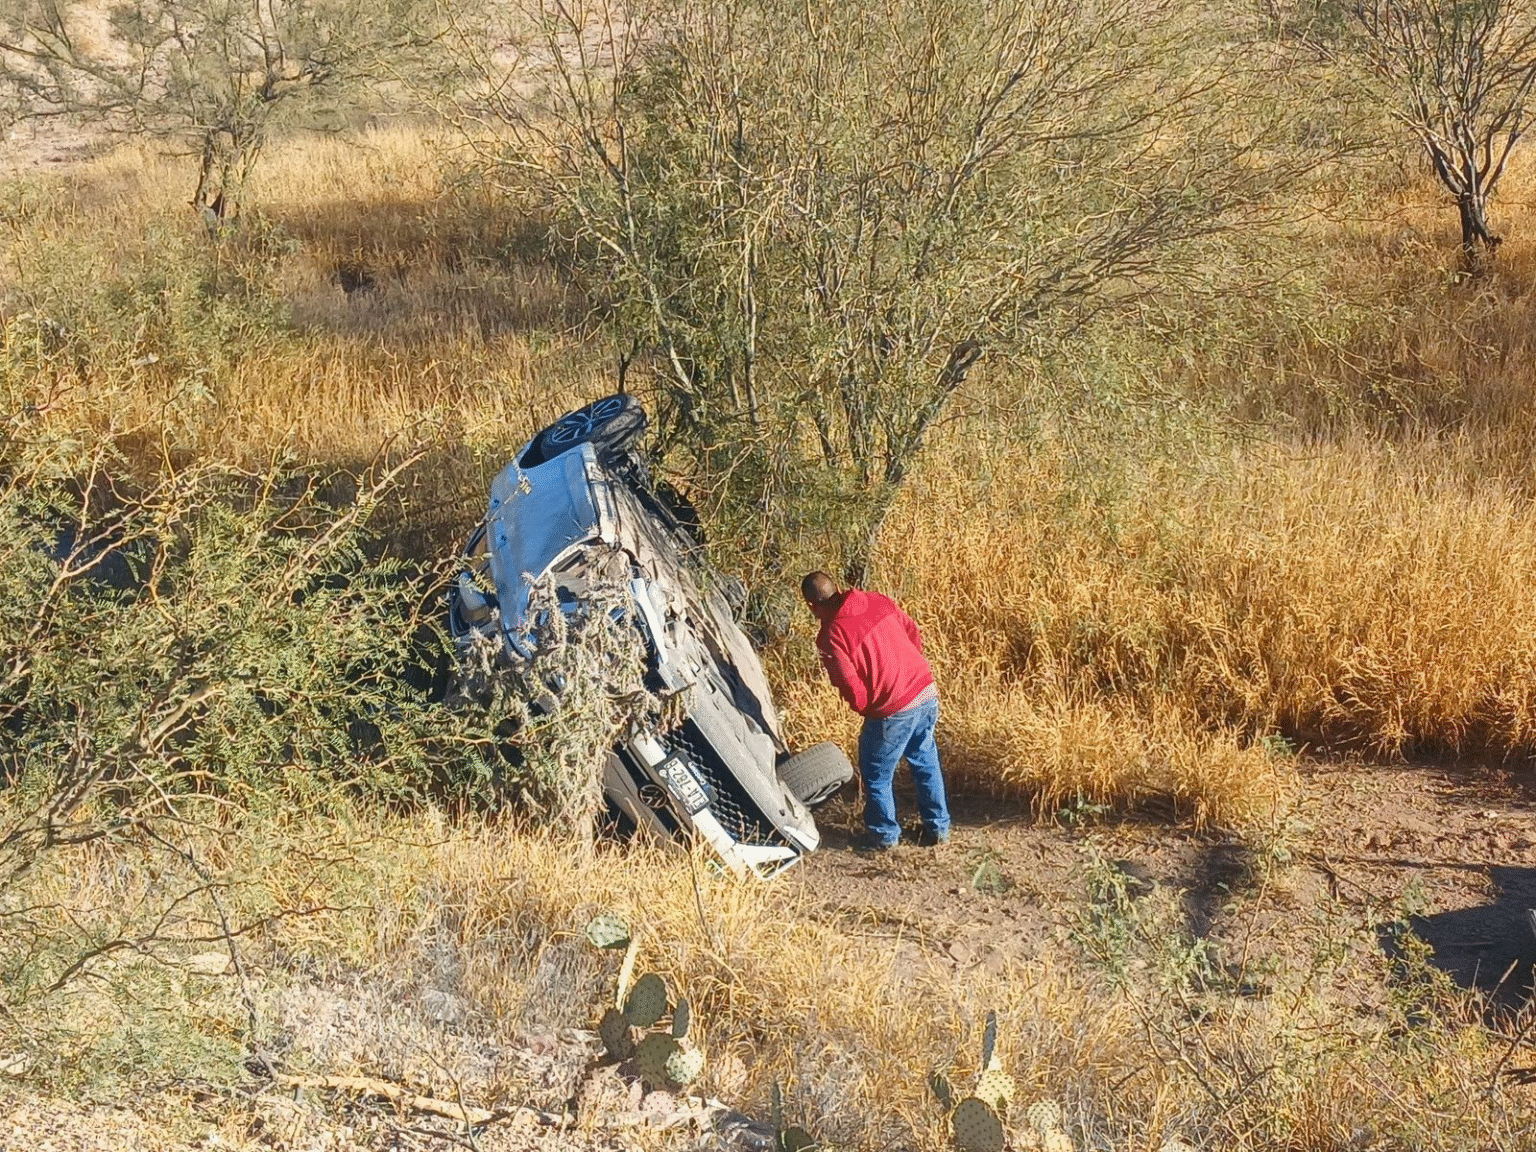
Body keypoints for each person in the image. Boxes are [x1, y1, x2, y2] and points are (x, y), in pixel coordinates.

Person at [800, 571, 951, 850]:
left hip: (894, 708)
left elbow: (848, 683)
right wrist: (910, 671)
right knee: (924, 759)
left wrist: (868, 707)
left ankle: (884, 838)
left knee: (876, 774)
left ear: (811, 605)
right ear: (837, 587)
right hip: (925, 690)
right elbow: (912, 631)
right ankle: (938, 828)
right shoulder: (876, 600)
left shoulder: (832, 635)